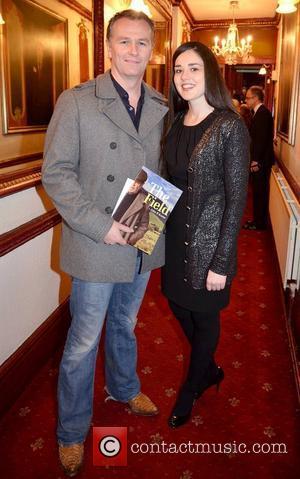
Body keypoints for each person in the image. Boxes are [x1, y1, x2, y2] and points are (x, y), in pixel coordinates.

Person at [42, 9, 168, 476]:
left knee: (126, 322)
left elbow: (162, 170)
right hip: (96, 239)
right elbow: (56, 174)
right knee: (82, 340)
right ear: (108, 46)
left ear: (152, 49)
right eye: (124, 42)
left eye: (141, 43)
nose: (133, 51)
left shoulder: (161, 103)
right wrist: (101, 225)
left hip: (141, 234)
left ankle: (123, 385)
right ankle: (72, 432)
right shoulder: (76, 101)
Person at [161, 41, 250, 429]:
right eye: (179, 70)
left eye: (193, 68)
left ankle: (190, 389)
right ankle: (210, 368)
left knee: (205, 315)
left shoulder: (229, 125)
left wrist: (222, 262)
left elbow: (236, 201)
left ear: (209, 74)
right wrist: (137, 229)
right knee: (179, 307)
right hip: (174, 239)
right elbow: (164, 185)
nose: (185, 77)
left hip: (210, 243)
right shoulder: (174, 123)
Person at [243, 85, 274, 230]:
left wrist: (255, 160)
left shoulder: (262, 113)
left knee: (260, 193)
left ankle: (259, 223)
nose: (246, 101)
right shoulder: (259, 112)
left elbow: (260, 140)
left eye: (248, 98)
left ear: (256, 98)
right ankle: (257, 221)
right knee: (257, 192)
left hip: (260, 162)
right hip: (259, 161)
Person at [113, 169, 149, 246]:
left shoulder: (143, 201)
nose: (133, 184)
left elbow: (144, 226)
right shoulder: (118, 185)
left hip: (120, 240)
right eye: (133, 180)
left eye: (137, 182)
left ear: (142, 185)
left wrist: (130, 239)